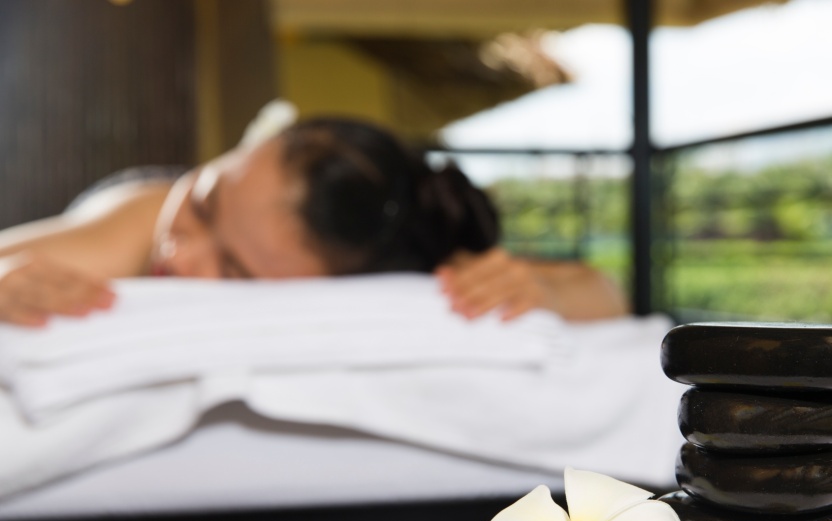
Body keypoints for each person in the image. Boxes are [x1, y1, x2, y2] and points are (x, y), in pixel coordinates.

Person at [0, 117, 628, 327]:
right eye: (205, 204)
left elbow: (604, 293)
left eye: (235, 271)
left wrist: (539, 292)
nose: (180, 252)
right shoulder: (147, 221)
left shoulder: (410, 270)